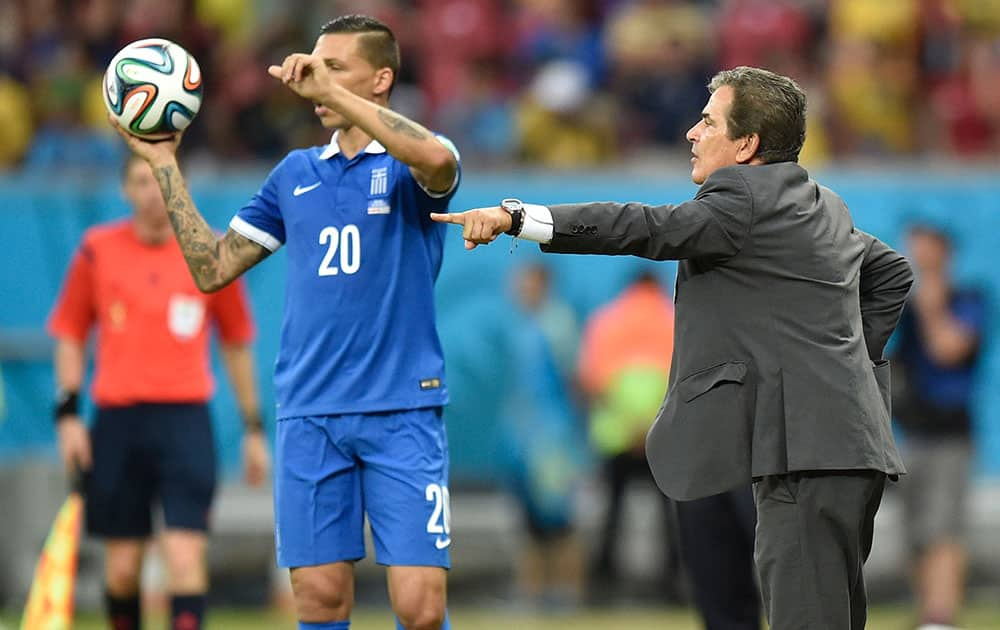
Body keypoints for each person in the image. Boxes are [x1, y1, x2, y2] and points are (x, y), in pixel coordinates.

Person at [432, 66, 914, 629]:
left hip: (803, 455)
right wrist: (854, 365)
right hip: (849, 448)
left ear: (746, 145)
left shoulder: (741, 197)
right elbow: (891, 273)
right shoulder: (821, 201)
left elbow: (641, 226)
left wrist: (520, 218)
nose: (692, 131)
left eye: (708, 121)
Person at [111, 14, 461, 630]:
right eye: (314, 66)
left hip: (402, 409)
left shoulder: (412, 165)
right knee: (320, 600)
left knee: (421, 608)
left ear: (381, 79)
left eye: (335, 68)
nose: (314, 79)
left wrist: (328, 92)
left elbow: (437, 158)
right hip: (311, 412)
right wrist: (164, 163)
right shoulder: (294, 175)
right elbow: (213, 268)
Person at [48, 154, 268, 630]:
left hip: (185, 420)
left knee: (185, 557)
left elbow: (235, 341)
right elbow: (69, 331)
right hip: (117, 419)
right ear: (126, 191)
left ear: (178, 188)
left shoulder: (208, 251)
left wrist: (253, 427)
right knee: (124, 568)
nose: (152, 193)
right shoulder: (96, 249)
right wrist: (67, 414)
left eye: (160, 182)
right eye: (140, 183)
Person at [892, 223, 985, 630]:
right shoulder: (907, 307)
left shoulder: (968, 299)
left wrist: (929, 295)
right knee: (915, 529)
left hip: (949, 433)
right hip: (912, 430)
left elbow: (948, 348)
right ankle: (928, 612)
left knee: (942, 526)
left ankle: (941, 616)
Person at [574, 271, 680, 599]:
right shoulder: (674, 317)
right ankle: (673, 585)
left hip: (615, 435)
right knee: (672, 517)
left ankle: (603, 584)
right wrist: (649, 425)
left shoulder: (605, 320)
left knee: (612, 513)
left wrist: (626, 423)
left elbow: (590, 380)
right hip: (663, 434)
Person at [501, 262, 587, 610]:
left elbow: (575, 380)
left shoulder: (557, 324)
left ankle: (568, 594)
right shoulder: (521, 327)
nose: (518, 288)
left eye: (524, 282)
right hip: (522, 436)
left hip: (552, 437)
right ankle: (531, 593)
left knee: (560, 518)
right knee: (528, 519)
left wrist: (571, 433)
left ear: (541, 284)